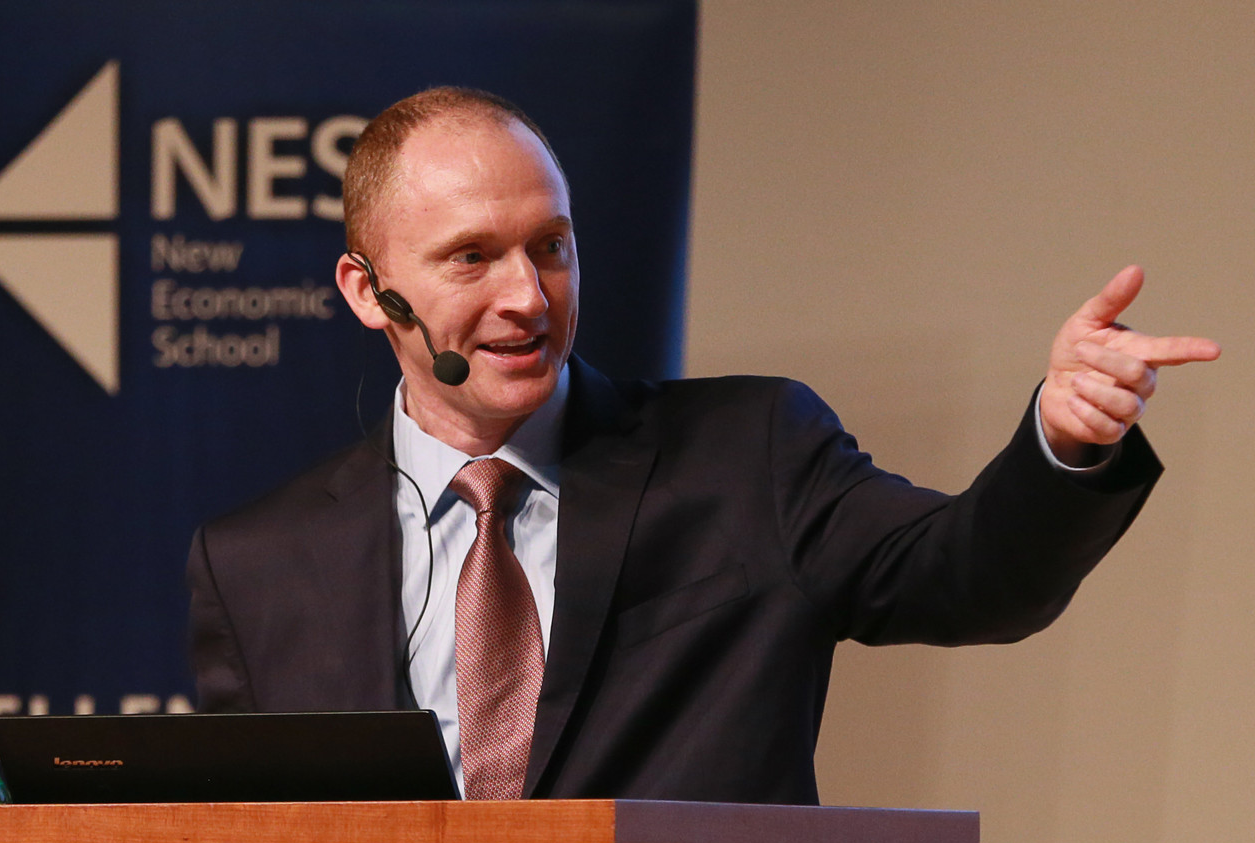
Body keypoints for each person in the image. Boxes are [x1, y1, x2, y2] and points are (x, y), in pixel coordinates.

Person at [186, 87, 1220, 804]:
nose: (528, 296)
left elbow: (973, 579)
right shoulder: (258, 564)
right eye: (472, 258)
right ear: (370, 291)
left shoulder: (747, 457)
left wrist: (1063, 440)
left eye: (551, 246)